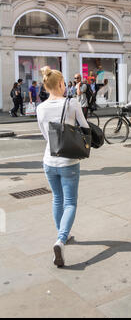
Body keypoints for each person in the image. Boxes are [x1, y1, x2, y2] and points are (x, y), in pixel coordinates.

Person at [36, 66, 89, 267]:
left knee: (57, 199)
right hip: (69, 161)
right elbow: (84, 126)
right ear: (60, 84)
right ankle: (61, 239)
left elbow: (45, 134)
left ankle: (62, 237)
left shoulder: (40, 108)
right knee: (70, 203)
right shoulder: (71, 103)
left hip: (49, 160)